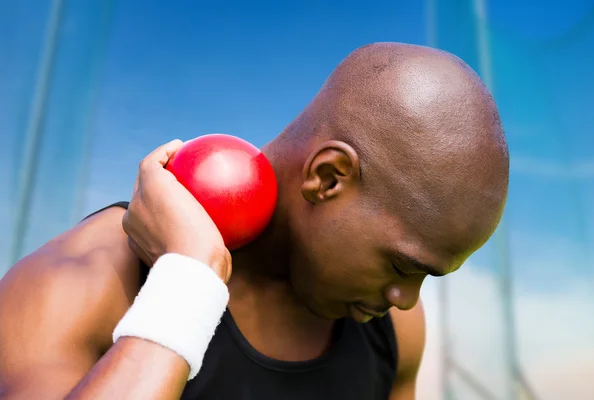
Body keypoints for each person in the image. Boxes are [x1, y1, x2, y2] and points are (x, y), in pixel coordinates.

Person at [0, 42, 509, 400]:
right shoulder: (85, 281)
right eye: (402, 266)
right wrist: (185, 290)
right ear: (328, 178)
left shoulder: (395, 332)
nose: (407, 299)